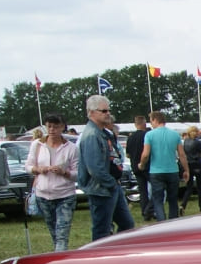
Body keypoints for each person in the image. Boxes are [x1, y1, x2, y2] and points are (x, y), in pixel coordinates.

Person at [77, 95, 134, 240]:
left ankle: (120, 253)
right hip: (101, 190)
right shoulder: (91, 135)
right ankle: (99, 259)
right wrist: (111, 183)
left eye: (108, 110)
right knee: (102, 229)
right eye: (103, 111)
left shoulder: (103, 133)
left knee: (127, 225)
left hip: (112, 186)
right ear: (91, 113)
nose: (108, 113)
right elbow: (94, 168)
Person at [27, 113, 78, 251]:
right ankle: (58, 256)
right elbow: (28, 166)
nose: (52, 130)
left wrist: (64, 172)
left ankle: (59, 256)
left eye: (55, 127)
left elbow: (77, 174)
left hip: (65, 195)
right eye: (49, 126)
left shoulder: (71, 148)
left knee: (62, 233)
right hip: (43, 195)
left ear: (62, 128)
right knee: (53, 231)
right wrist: (39, 169)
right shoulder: (37, 145)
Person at [139, 111, 189, 220]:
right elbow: (181, 154)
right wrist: (186, 170)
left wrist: (142, 164)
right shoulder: (175, 134)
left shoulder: (149, 135)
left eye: (151, 121)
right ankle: (173, 222)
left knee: (158, 200)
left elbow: (146, 154)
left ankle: (162, 222)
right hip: (172, 170)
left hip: (156, 171)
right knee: (172, 199)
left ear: (155, 120)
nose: (150, 124)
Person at [125, 115, 155, 221]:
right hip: (147, 165)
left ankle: (144, 211)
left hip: (135, 166)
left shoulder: (130, 138)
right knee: (156, 188)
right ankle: (150, 209)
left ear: (135, 124)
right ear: (144, 123)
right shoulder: (147, 135)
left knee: (143, 190)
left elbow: (127, 154)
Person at [181, 125, 201, 213]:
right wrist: (200, 155)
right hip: (197, 164)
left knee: (189, 187)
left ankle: (183, 205)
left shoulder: (185, 141)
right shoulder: (197, 142)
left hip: (189, 165)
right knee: (200, 188)